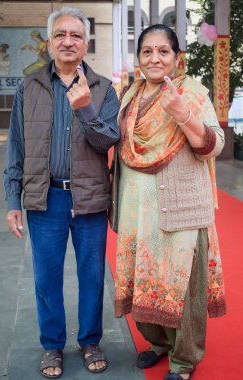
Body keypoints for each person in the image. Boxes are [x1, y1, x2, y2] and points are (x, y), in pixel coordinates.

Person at [3, 6, 119, 379]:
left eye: (76, 36)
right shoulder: (30, 85)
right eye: (61, 35)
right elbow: (16, 147)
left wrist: (85, 110)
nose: (68, 41)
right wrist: (11, 201)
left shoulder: (103, 88)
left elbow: (107, 142)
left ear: (86, 43)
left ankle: (90, 341)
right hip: (45, 198)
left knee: (92, 276)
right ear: (51, 42)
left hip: (89, 198)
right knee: (46, 277)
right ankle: (52, 345)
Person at [114, 24, 226, 380]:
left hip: (179, 207)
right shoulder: (130, 95)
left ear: (177, 58)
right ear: (139, 59)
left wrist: (182, 114)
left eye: (163, 51)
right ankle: (158, 344)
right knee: (143, 280)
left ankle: (184, 360)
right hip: (136, 208)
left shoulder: (191, 93)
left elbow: (215, 145)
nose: (155, 58)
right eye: (147, 51)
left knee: (180, 286)